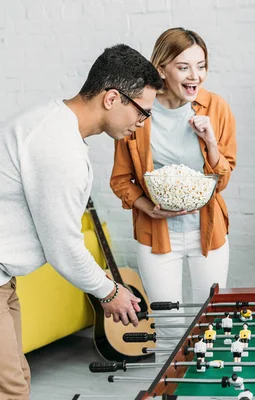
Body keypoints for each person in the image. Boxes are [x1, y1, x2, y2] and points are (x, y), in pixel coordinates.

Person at [0, 44, 163, 399]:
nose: (141, 123)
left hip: (4, 278)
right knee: (10, 388)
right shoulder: (59, 148)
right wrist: (109, 293)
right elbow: (62, 247)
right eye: (142, 112)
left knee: (16, 380)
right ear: (112, 98)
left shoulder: (54, 123)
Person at [110, 28, 237, 359]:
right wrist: (146, 206)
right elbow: (121, 180)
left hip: (208, 233)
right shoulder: (138, 109)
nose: (195, 76)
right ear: (162, 67)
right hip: (156, 236)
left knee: (209, 323)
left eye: (202, 65)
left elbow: (222, 180)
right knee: (167, 326)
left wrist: (210, 141)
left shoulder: (216, 107)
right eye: (184, 67)